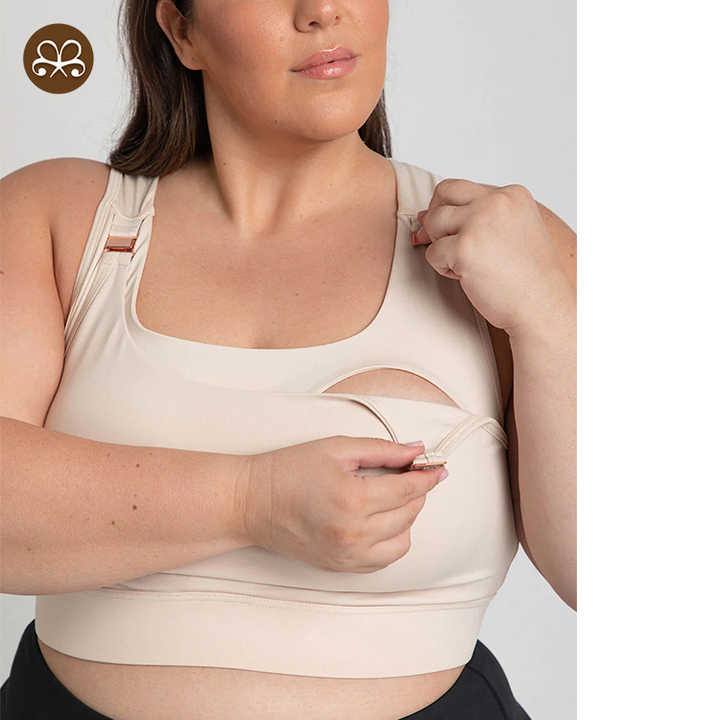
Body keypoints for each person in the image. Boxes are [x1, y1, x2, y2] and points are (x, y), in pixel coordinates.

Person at [0, 1, 576, 718]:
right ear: (182, 30)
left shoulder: (509, 243)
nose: (322, 9)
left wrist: (553, 318)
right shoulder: (59, 217)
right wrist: (254, 501)